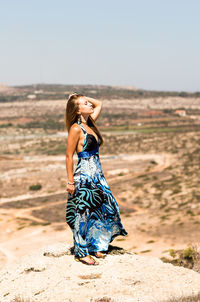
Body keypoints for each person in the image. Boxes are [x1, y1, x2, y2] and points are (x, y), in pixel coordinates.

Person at [65, 93, 128, 265]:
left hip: (97, 174)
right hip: (84, 175)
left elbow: (99, 103)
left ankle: (96, 245)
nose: (89, 105)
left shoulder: (90, 123)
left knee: (104, 207)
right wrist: (71, 182)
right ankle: (81, 252)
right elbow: (69, 156)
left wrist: (82, 97)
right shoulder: (76, 128)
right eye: (85, 104)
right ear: (77, 110)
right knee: (83, 213)